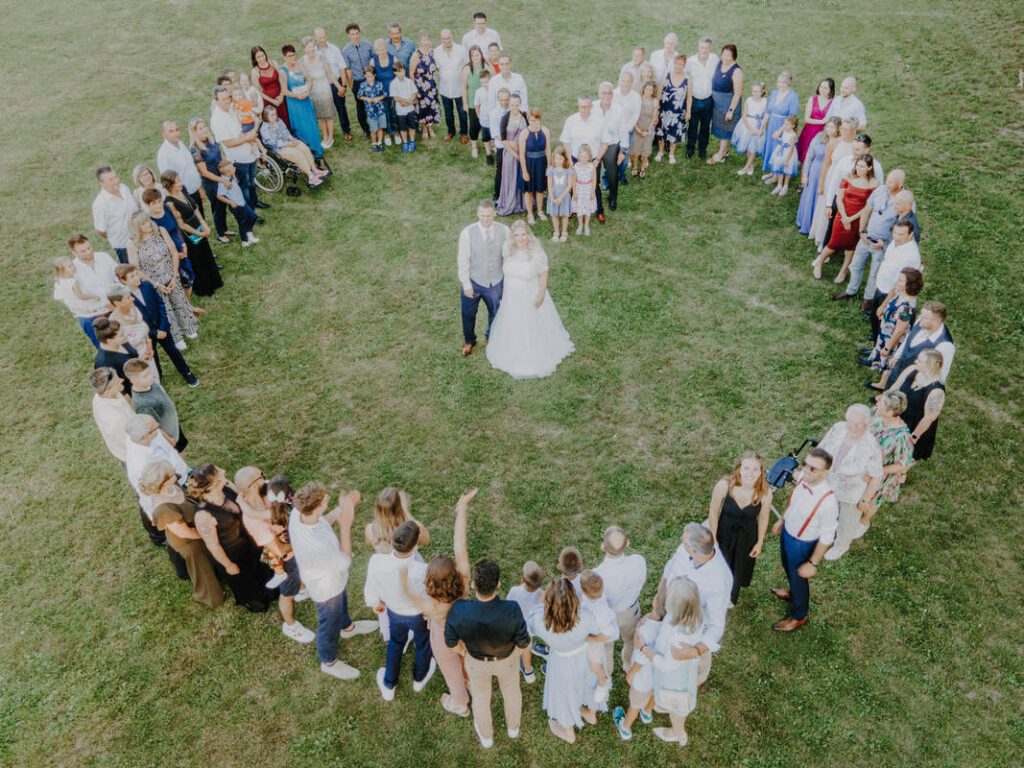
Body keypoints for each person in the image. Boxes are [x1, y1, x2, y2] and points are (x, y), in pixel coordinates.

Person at [396, 489, 479, 717]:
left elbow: (409, 598)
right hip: (465, 629)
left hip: (444, 639)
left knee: (451, 671)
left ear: (430, 583)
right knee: (465, 657)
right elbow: (460, 545)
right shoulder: (462, 579)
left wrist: (403, 582)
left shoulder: (433, 606)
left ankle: (460, 703)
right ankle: (470, 680)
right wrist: (462, 508)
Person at [289, 482, 377, 679]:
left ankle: (347, 628)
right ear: (318, 507)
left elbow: (322, 521)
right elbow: (344, 559)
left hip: (333, 580)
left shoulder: (298, 514)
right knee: (328, 622)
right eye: (326, 501)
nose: (328, 501)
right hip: (326, 587)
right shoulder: (318, 547)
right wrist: (346, 525)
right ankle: (328, 661)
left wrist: (341, 509)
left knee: (341, 603)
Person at [444, 555, 529, 748]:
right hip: (506, 661)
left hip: (475, 662)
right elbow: (523, 641)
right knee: (512, 693)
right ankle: (513, 728)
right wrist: (515, 654)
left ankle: (487, 737)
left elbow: (450, 642)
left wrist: (462, 651)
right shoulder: (512, 609)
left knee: (481, 699)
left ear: (473, 584)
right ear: (498, 584)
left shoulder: (459, 610)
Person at [235, 467, 315, 644]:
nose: (266, 478)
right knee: (287, 593)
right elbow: (279, 550)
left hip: (296, 549)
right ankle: (291, 625)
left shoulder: (265, 491)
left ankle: (302, 591)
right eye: (262, 475)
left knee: (302, 571)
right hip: (287, 559)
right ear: (254, 484)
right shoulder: (253, 521)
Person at [486, 220, 574, 379]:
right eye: (517, 235)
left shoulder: (536, 251)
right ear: (513, 236)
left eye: (523, 234)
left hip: (530, 295)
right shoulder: (507, 248)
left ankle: (537, 351)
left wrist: (540, 294)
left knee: (533, 324)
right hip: (511, 297)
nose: (520, 238)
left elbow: (543, 273)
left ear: (528, 234)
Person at [365, 521, 436, 701]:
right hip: (418, 615)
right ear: (416, 545)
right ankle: (420, 677)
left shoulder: (376, 561)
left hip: (394, 612)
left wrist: (374, 602)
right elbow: (428, 596)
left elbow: (371, 586)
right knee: (423, 643)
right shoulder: (423, 570)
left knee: (396, 642)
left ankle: (389, 684)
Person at [770, 447, 839, 631]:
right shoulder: (802, 478)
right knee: (787, 566)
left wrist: (813, 563)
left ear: (825, 472)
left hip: (802, 544)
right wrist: (782, 520)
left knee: (799, 576)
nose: (806, 471)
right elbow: (794, 504)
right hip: (788, 533)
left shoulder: (828, 502)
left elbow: (827, 537)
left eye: (813, 469)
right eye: (805, 465)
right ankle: (793, 592)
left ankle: (799, 615)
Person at [652, 523, 732, 683]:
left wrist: (696, 650)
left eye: (684, 542)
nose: (681, 541)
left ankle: (697, 680)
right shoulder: (691, 546)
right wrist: (660, 593)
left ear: (695, 551)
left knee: (694, 667)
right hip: (673, 610)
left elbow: (716, 626)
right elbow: (672, 564)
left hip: (694, 629)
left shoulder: (719, 582)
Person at [191, 464, 273, 613]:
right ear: (214, 483)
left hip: (249, 541)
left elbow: (244, 499)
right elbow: (213, 546)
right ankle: (253, 600)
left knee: (262, 569)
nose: (224, 470)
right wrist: (228, 565)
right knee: (247, 581)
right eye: (219, 473)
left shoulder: (227, 487)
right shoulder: (203, 515)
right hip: (233, 554)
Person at [529, 578, 602, 744]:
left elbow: (531, 622)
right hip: (584, 657)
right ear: (574, 599)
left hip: (561, 662)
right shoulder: (586, 618)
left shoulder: (541, 623)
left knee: (564, 694)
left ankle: (569, 732)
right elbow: (596, 631)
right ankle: (590, 713)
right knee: (587, 684)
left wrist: (542, 603)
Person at [143, 460, 225, 608]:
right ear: (165, 482)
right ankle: (211, 597)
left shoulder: (172, 487)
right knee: (203, 569)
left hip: (197, 525)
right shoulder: (163, 509)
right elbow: (185, 532)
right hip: (189, 542)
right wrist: (208, 534)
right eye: (172, 473)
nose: (176, 473)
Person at [816, 405, 884, 561]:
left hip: (851, 491)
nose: (853, 426)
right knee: (826, 510)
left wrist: (865, 499)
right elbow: (822, 448)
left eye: (858, 424)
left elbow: (877, 476)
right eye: (850, 421)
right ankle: (824, 531)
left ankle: (841, 545)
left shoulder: (870, 445)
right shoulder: (838, 428)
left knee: (847, 521)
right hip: (828, 482)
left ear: (866, 425)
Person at [833, 171, 910, 301]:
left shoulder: (905, 201)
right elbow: (867, 209)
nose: (886, 183)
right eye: (887, 179)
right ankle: (851, 290)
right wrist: (862, 231)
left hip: (881, 244)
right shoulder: (880, 190)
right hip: (865, 238)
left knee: (874, 273)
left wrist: (885, 244)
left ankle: (867, 299)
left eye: (891, 182)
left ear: (900, 184)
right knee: (855, 265)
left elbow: (903, 229)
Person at [116, 263, 199, 385]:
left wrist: (163, 327)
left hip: (162, 327)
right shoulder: (126, 298)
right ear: (123, 281)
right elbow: (134, 322)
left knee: (173, 351)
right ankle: (157, 376)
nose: (137, 277)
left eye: (137, 274)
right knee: (152, 356)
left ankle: (186, 372)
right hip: (146, 334)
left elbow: (160, 304)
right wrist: (154, 332)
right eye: (132, 276)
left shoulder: (147, 285)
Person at [707, 453, 772, 604]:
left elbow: (763, 518)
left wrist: (759, 542)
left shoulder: (765, 493)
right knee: (720, 563)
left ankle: (731, 596)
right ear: (739, 469)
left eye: (755, 469)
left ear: (761, 471)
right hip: (724, 531)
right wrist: (713, 538)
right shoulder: (724, 486)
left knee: (740, 565)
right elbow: (714, 511)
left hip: (747, 535)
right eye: (746, 468)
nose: (750, 473)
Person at [648, 577, 704, 745]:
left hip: (675, 681)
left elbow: (666, 665)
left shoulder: (678, 640)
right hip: (683, 672)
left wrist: (646, 650)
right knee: (677, 706)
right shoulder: (697, 616)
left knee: (677, 710)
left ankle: (678, 733)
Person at [124, 413, 188, 548]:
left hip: (178, 475)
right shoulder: (140, 465)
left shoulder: (149, 434)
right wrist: (151, 514)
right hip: (171, 483)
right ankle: (158, 537)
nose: (159, 426)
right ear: (145, 437)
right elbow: (146, 494)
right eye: (155, 427)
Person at [813, 154, 879, 280]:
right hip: (842, 216)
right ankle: (819, 263)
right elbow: (839, 198)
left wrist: (851, 219)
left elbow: (868, 207)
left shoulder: (874, 184)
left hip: (858, 219)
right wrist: (844, 217)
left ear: (870, 168)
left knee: (851, 246)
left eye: (862, 166)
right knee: (833, 243)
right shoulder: (848, 178)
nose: (859, 168)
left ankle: (843, 271)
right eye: (858, 165)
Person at [457, 200, 510, 356]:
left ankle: (491, 337)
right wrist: (466, 284)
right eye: (482, 216)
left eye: (489, 215)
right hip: (474, 281)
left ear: (494, 214)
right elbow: (463, 259)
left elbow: (507, 256)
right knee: (468, 314)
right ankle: (469, 341)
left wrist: (506, 278)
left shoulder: (504, 231)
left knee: (495, 312)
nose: (486, 219)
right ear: (477, 214)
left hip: (496, 281)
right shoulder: (467, 233)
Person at [859, 389, 915, 537]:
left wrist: (876, 472)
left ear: (890, 412)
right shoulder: (877, 417)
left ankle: (864, 522)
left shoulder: (902, 437)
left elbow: (904, 463)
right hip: (865, 465)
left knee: (873, 499)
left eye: (882, 403)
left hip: (881, 473)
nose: (877, 401)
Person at [162, 170, 223, 297]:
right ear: (169, 185)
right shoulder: (169, 202)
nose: (180, 183)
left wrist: (203, 224)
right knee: (198, 260)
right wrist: (199, 234)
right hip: (188, 235)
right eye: (177, 181)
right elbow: (181, 224)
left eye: (179, 180)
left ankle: (215, 282)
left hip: (198, 226)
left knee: (207, 253)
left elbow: (195, 207)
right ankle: (205, 288)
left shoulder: (183, 190)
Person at [593, 526, 647, 670]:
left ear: (603, 547)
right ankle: (628, 664)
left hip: (607, 616)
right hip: (631, 612)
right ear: (628, 543)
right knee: (630, 640)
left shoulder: (597, 575)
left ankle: (607, 673)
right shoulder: (638, 562)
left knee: (606, 647)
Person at [860, 220, 922, 340]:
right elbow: (886, 263)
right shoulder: (895, 243)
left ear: (910, 234)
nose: (896, 237)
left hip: (890, 294)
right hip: (881, 287)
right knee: (874, 317)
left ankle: (876, 351)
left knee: (883, 323)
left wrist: (884, 305)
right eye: (895, 233)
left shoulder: (910, 256)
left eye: (901, 234)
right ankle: (874, 338)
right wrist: (877, 285)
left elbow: (899, 284)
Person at [880, 301, 954, 392]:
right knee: (889, 389)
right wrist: (897, 355)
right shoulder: (920, 322)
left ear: (936, 321)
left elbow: (941, 374)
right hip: (899, 366)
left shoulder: (945, 345)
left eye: (924, 317)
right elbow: (908, 338)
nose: (919, 318)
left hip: (913, 381)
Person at [210, 86, 264, 211]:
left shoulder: (232, 108)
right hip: (239, 159)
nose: (228, 101)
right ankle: (250, 211)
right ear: (216, 101)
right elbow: (228, 143)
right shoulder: (217, 120)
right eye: (223, 99)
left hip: (250, 154)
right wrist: (248, 138)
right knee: (244, 186)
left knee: (252, 181)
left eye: (228, 97)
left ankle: (255, 202)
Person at [863, 267, 924, 376]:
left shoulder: (906, 307)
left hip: (892, 339)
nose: (897, 281)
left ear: (908, 285)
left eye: (900, 280)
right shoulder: (901, 294)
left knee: (888, 360)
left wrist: (888, 347)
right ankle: (881, 379)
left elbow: (900, 330)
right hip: (886, 332)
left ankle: (883, 384)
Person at [611, 607, 659, 741]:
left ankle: (625, 727)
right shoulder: (672, 628)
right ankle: (647, 712)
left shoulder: (645, 631)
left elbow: (641, 658)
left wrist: (631, 673)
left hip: (644, 679)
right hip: (661, 676)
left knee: (635, 705)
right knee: (654, 694)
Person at [893, 348, 947, 462]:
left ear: (931, 365)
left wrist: (913, 437)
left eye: (920, 360)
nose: (915, 361)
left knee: (903, 461)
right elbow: (895, 387)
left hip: (915, 425)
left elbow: (928, 418)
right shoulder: (912, 370)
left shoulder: (936, 391)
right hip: (898, 416)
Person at [123, 358, 185, 451]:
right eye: (145, 375)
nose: (151, 376)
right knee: (180, 453)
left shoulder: (151, 383)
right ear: (133, 380)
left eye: (150, 372)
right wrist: (169, 439)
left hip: (172, 424)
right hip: (168, 435)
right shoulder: (142, 404)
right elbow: (154, 427)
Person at [188, 118, 232, 243]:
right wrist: (222, 181)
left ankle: (224, 229)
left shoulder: (211, 141)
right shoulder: (195, 149)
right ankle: (220, 234)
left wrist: (228, 168)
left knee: (223, 205)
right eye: (200, 128)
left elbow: (221, 156)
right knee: (217, 207)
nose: (204, 129)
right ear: (194, 132)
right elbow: (204, 172)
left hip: (222, 176)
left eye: (204, 126)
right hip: (211, 183)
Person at [259, 106, 327, 187]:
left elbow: (286, 133)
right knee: (297, 154)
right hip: (278, 148)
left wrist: (293, 140)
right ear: (266, 117)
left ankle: (314, 169)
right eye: (272, 115)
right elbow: (272, 142)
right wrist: (287, 144)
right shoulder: (264, 128)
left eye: (275, 114)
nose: (275, 116)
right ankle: (310, 176)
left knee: (303, 147)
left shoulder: (279, 121)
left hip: (287, 142)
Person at [579, 571, 619, 705]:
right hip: (594, 633)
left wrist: (592, 639)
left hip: (600, 638)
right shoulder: (592, 597)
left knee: (597, 664)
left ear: (583, 591)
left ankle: (603, 682)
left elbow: (607, 633)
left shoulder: (601, 611)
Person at [592, 81, 628, 221]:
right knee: (593, 174)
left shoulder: (618, 109)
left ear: (613, 94)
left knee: (612, 173)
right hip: (595, 145)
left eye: (609, 93)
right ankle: (595, 200)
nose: (607, 95)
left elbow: (624, 130)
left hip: (612, 144)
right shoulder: (593, 107)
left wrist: (622, 151)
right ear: (599, 94)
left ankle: (613, 198)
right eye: (604, 93)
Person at [280, 44, 325, 157]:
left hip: (305, 99)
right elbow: (284, 91)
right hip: (295, 103)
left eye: (294, 55)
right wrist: (297, 96)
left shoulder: (300, 65)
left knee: (311, 124)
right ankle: (306, 152)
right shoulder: (283, 70)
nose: (292, 58)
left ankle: (316, 149)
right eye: (289, 56)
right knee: (301, 127)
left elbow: (309, 80)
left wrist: (308, 91)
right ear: (284, 56)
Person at [53, 256, 108, 348]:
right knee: (100, 338)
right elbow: (81, 296)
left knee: (95, 338)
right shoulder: (72, 282)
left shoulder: (59, 281)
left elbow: (58, 296)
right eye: (69, 267)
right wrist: (94, 297)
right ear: (62, 271)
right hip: (88, 314)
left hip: (79, 314)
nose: (73, 267)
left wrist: (70, 302)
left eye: (72, 264)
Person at [796, 117, 839, 233]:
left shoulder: (839, 143)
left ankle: (816, 227)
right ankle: (805, 222)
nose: (829, 129)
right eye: (828, 126)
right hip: (815, 171)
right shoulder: (819, 137)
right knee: (810, 196)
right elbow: (809, 157)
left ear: (838, 129)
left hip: (829, 174)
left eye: (832, 127)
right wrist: (805, 175)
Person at [92, 166, 140, 264]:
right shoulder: (100, 204)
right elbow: (100, 230)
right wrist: (115, 235)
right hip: (124, 247)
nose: (115, 181)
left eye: (116, 177)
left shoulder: (124, 188)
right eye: (110, 180)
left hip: (141, 237)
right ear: (101, 183)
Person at [156, 121, 205, 215]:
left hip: (195, 190)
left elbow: (191, 167)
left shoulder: (180, 143)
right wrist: (182, 199)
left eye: (177, 130)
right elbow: (168, 182)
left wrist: (199, 187)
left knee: (202, 218)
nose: (176, 133)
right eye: (171, 131)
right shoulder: (164, 155)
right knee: (195, 223)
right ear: (163, 134)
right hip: (184, 196)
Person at [506, 560, 545, 676]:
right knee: (527, 644)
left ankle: (527, 669)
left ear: (522, 579)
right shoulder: (542, 595)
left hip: (518, 625)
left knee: (524, 648)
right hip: (533, 626)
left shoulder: (514, 591)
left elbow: (509, 604)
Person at [314, 27, 353, 141]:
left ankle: (346, 130)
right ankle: (327, 134)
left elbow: (342, 68)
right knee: (325, 110)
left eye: (324, 37)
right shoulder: (314, 52)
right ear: (316, 38)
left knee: (341, 107)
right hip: (322, 85)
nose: (322, 39)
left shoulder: (334, 49)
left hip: (337, 82)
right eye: (320, 37)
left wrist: (344, 86)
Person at [683, 37, 718, 160]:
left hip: (709, 99)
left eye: (707, 48)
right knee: (692, 126)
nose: (704, 50)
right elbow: (685, 76)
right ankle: (690, 148)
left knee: (705, 126)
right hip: (694, 99)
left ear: (710, 48)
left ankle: (702, 149)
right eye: (702, 47)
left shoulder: (714, 59)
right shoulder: (691, 61)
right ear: (698, 47)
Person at [301, 35, 339, 149]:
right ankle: (325, 136)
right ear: (304, 49)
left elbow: (330, 73)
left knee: (328, 114)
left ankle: (331, 137)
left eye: (312, 47)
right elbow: (302, 76)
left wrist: (338, 86)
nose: (311, 50)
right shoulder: (302, 61)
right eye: (308, 48)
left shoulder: (321, 58)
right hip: (313, 91)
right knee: (320, 116)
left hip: (324, 89)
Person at [760, 71, 800, 177]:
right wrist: (763, 126)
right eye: (779, 82)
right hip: (772, 124)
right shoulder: (774, 93)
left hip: (783, 126)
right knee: (771, 147)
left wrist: (780, 130)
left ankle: (777, 175)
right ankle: (773, 171)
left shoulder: (793, 97)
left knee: (779, 149)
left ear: (789, 83)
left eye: (783, 83)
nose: (780, 85)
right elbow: (768, 111)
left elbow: (792, 117)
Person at [89, 367, 134, 462]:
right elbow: (130, 443)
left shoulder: (104, 395)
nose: (122, 380)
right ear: (108, 390)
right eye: (117, 381)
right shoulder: (115, 420)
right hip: (133, 453)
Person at [428, 29, 466, 142]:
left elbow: (466, 66)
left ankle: (464, 133)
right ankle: (451, 132)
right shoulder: (437, 51)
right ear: (441, 39)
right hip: (445, 88)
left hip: (459, 88)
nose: (447, 41)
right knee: (448, 113)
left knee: (462, 113)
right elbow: (437, 67)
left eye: (449, 38)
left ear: (452, 37)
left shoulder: (461, 50)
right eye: (444, 39)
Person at [708, 44, 743, 164]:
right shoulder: (719, 63)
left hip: (728, 104)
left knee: (725, 129)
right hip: (718, 104)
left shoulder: (736, 71)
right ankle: (725, 150)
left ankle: (720, 155)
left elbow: (737, 93)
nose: (725, 57)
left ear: (734, 56)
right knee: (722, 128)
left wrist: (731, 110)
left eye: (729, 55)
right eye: (724, 54)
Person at [216, 161, 260, 247]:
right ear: (228, 172)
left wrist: (233, 176)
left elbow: (233, 178)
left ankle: (248, 232)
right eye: (233, 168)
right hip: (236, 206)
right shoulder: (223, 183)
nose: (235, 168)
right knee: (242, 222)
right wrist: (230, 202)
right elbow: (219, 196)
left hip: (242, 202)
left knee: (253, 217)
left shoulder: (230, 176)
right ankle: (245, 240)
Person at [342, 24, 375, 138]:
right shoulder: (346, 50)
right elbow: (348, 70)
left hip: (370, 79)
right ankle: (366, 129)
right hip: (358, 81)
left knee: (374, 102)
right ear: (348, 35)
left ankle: (377, 126)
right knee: (360, 106)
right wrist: (352, 86)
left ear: (359, 33)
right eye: (352, 34)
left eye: (357, 33)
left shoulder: (368, 45)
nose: (355, 36)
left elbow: (373, 60)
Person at [496, 93, 527, 214]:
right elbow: (503, 140)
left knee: (522, 175)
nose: (514, 107)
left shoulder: (524, 116)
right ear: (509, 104)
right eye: (512, 104)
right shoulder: (505, 118)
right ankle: (510, 201)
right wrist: (515, 154)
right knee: (511, 175)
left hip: (523, 151)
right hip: (510, 153)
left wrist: (522, 152)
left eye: (517, 104)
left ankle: (522, 201)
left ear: (520, 104)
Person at [655, 54, 688, 163]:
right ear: (674, 64)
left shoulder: (687, 78)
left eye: (681, 64)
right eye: (677, 64)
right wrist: (656, 107)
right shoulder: (667, 75)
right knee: (661, 132)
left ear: (684, 65)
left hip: (678, 112)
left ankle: (671, 154)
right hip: (664, 108)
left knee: (674, 133)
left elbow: (689, 97)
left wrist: (688, 111)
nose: (679, 66)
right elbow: (659, 91)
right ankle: (660, 151)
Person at [92, 317, 139, 395]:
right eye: (122, 335)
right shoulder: (103, 362)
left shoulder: (120, 342)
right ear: (110, 341)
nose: (126, 335)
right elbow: (118, 390)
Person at [518, 109, 550, 223]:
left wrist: (549, 166)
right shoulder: (524, 133)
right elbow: (521, 154)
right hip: (529, 163)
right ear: (528, 119)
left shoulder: (545, 131)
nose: (534, 122)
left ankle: (540, 211)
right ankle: (530, 213)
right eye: (531, 120)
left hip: (541, 163)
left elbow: (548, 149)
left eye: (536, 120)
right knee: (529, 190)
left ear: (539, 119)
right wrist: (524, 171)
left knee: (540, 189)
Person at [731, 81, 768, 176]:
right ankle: (750, 166)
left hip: (759, 125)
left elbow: (766, 116)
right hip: (747, 125)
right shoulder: (749, 100)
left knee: (753, 147)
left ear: (762, 91)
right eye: (753, 91)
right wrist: (750, 129)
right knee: (749, 146)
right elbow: (744, 115)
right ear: (751, 92)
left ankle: (746, 167)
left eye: (758, 91)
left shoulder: (765, 101)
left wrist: (761, 128)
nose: (755, 93)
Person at [410, 33, 441, 139]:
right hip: (420, 84)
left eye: (427, 40)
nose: (426, 42)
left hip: (431, 84)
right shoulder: (416, 54)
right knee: (422, 107)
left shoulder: (433, 52)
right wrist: (414, 89)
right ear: (420, 41)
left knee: (432, 106)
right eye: (423, 40)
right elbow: (411, 73)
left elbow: (438, 67)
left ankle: (430, 127)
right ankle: (424, 128)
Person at [796, 78, 835, 162]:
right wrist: (822, 121)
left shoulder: (833, 103)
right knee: (805, 154)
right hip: (809, 131)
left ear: (830, 90)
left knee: (817, 154)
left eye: (825, 88)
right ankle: (804, 172)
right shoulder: (812, 99)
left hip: (823, 133)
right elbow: (806, 119)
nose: (822, 89)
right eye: (821, 86)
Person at [462, 45, 490, 158]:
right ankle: (474, 146)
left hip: (486, 103)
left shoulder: (486, 66)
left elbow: (494, 81)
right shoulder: (467, 69)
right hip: (473, 102)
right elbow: (464, 87)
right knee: (474, 125)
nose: (475, 57)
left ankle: (489, 143)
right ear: (470, 57)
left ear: (481, 55)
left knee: (487, 124)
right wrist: (465, 103)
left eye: (477, 54)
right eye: (473, 55)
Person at [251, 45, 289, 129]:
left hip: (280, 96)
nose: (261, 59)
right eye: (258, 57)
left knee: (286, 120)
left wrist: (282, 95)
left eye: (262, 55)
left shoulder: (273, 63)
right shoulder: (255, 71)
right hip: (269, 101)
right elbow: (258, 92)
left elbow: (281, 77)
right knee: (274, 122)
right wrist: (273, 101)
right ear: (255, 59)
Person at [370, 39, 398, 146]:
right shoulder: (373, 61)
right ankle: (386, 134)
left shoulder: (393, 58)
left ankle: (396, 132)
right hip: (380, 92)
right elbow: (371, 78)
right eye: (378, 50)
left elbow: (398, 75)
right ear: (376, 50)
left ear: (386, 48)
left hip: (393, 90)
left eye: (382, 49)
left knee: (394, 112)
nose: (381, 52)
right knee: (384, 113)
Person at [613, 72, 641, 179]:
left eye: (628, 81)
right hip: (614, 131)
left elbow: (636, 115)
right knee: (611, 156)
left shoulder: (636, 97)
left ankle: (621, 175)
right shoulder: (614, 94)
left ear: (632, 83)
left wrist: (627, 129)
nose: (625, 84)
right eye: (623, 81)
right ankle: (607, 179)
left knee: (624, 155)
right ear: (620, 81)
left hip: (627, 130)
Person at [629, 80, 659, 178]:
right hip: (638, 126)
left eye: (651, 90)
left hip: (648, 128)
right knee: (636, 150)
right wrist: (638, 130)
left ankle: (642, 168)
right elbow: (633, 116)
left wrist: (648, 130)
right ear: (644, 89)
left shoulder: (654, 101)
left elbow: (654, 117)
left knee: (646, 150)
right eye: (647, 89)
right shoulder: (638, 99)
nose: (649, 92)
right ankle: (634, 167)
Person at [545, 145, 574, 242]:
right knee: (554, 215)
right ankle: (556, 232)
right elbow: (549, 185)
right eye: (556, 158)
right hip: (554, 196)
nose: (558, 160)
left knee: (565, 215)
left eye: (560, 158)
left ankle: (564, 232)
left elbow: (569, 185)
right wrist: (552, 197)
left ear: (565, 159)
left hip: (564, 197)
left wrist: (561, 197)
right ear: (553, 158)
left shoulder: (568, 170)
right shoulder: (551, 169)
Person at [389, 62, 419, 153]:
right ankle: (405, 142)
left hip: (410, 109)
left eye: (403, 70)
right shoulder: (393, 83)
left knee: (412, 127)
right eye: (399, 71)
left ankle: (412, 142)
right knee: (403, 128)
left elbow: (414, 93)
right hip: (401, 110)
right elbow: (395, 97)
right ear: (395, 73)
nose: (402, 73)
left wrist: (410, 100)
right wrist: (406, 101)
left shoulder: (409, 81)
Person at [357, 65, 388, 152]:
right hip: (370, 112)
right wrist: (367, 99)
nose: (369, 78)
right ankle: (374, 143)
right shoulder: (363, 85)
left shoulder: (379, 84)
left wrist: (379, 98)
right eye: (367, 76)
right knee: (373, 129)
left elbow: (385, 94)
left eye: (371, 76)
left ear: (374, 75)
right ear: (365, 76)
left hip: (380, 110)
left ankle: (379, 142)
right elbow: (359, 96)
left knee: (380, 128)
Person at [766, 114, 800, 196]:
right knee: (780, 169)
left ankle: (785, 186)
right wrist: (781, 128)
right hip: (780, 151)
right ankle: (779, 185)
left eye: (787, 124)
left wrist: (787, 159)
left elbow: (791, 149)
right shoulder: (784, 131)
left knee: (787, 171)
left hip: (788, 154)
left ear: (793, 126)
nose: (785, 125)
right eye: (784, 123)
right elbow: (774, 136)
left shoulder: (793, 135)